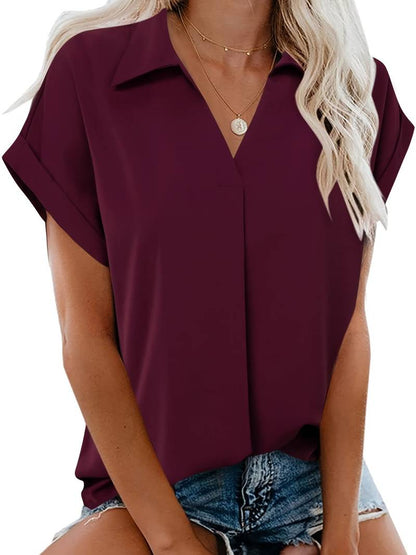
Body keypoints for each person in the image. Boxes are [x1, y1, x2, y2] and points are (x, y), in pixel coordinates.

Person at [2, 0, 414, 553]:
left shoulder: (353, 88)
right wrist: (174, 542)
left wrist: (342, 538)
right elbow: (86, 338)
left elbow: (349, 328)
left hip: (319, 490)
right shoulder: (89, 74)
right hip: (156, 492)